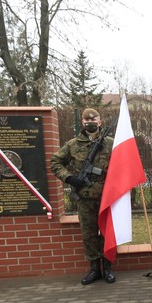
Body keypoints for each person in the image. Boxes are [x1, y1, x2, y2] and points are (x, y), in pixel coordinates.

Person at [50, 108, 116, 285]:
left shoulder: (111, 143)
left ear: (100, 121)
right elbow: (55, 161)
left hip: (107, 197)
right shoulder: (73, 144)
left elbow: (123, 165)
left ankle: (107, 267)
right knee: (89, 235)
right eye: (87, 119)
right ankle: (95, 269)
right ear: (82, 122)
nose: (90, 121)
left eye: (93, 118)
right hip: (85, 198)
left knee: (107, 233)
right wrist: (69, 177)